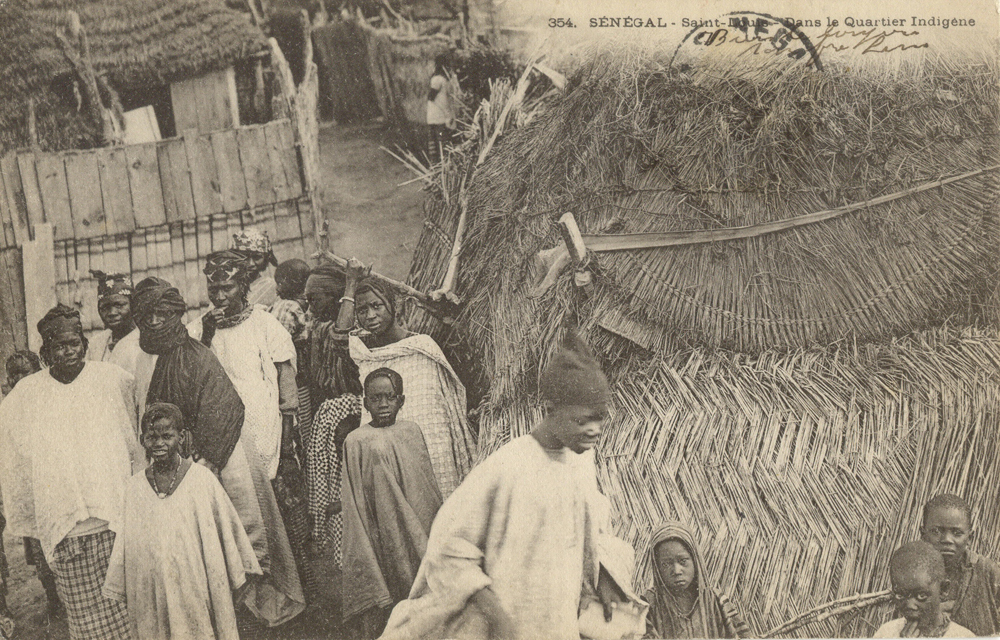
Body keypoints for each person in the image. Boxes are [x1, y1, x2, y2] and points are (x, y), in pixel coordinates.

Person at [379, 331, 626, 640]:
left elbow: (593, 533)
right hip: (508, 622)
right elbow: (449, 549)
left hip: (554, 621)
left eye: (600, 420)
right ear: (550, 410)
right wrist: (496, 618)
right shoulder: (508, 468)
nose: (595, 431)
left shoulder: (579, 464)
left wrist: (604, 578)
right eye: (584, 420)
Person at [112, 276, 305, 628]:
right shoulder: (130, 354)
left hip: (220, 457)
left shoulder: (195, 354)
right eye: (146, 315)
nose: (154, 321)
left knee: (242, 529)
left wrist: (205, 460)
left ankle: (255, 609)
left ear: (176, 313)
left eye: (162, 313)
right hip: (162, 458)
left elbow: (223, 408)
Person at [0, 304, 143, 640]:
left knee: (126, 608)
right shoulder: (26, 395)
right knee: (85, 619)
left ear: (84, 344)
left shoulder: (112, 380)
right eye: (58, 347)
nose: (68, 352)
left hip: (114, 520)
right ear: (46, 353)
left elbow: (134, 436)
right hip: (65, 528)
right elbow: (16, 458)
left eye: (74, 343)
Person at [103, 403, 263, 640]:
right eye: (152, 437)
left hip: (196, 587)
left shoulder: (202, 480)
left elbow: (229, 537)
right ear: (141, 440)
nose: (159, 444)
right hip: (153, 593)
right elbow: (127, 548)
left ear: (182, 436)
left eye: (167, 436)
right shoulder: (133, 488)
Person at [346, 268, 475, 499]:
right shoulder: (365, 355)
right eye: (362, 310)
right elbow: (339, 336)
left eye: (377, 306)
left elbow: (436, 419)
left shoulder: (421, 348)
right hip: (387, 454)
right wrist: (350, 284)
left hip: (432, 452)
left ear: (393, 307)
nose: (371, 316)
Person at [342, 368, 443, 639]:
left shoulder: (411, 432)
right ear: (365, 402)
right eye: (375, 398)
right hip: (380, 528)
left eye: (390, 397)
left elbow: (426, 489)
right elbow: (354, 497)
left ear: (402, 400)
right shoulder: (356, 441)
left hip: (417, 527)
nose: (383, 404)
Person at [301, 262, 364, 561]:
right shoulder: (315, 329)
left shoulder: (354, 327)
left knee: (348, 495)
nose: (308, 304)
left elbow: (343, 337)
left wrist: (351, 285)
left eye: (314, 297)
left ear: (335, 297)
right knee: (331, 497)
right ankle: (344, 559)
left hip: (349, 418)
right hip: (326, 420)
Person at [3, 351, 63, 621]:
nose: (19, 378)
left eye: (24, 372)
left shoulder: (51, 398)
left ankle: (66, 596)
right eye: (13, 374)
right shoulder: (8, 408)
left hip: (53, 489)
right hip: (29, 495)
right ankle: (52, 599)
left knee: (59, 547)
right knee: (39, 552)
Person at [643, 522, 752, 639]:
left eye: (683, 560)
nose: (676, 570)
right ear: (657, 568)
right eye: (666, 564)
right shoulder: (647, 606)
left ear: (695, 560)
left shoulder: (716, 601)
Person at [920, 493, 1000, 636]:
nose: (947, 540)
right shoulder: (912, 574)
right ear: (923, 534)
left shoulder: (988, 573)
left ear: (970, 538)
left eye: (957, 533)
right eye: (936, 531)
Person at [874, 541, 974, 638]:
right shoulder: (886, 633)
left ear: (943, 590)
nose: (910, 605)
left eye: (921, 596)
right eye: (900, 595)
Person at [88, 271, 135, 361]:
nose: (112, 313)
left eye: (119, 305)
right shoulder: (95, 344)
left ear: (132, 305)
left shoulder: (144, 342)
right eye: (105, 308)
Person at [232, 228, 279, 308]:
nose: (250, 263)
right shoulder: (227, 286)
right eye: (244, 257)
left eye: (257, 257)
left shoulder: (272, 287)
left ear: (265, 258)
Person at [271, 258, 311, 342]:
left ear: (295, 283)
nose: (277, 289)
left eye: (280, 283)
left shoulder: (287, 307)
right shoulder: (311, 304)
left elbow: (277, 342)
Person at [426, 53, 454, 164]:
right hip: (439, 117)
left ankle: (437, 167)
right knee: (441, 144)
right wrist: (448, 114)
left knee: (436, 145)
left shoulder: (440, 79)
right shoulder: (439, 79)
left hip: (435, 117)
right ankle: (441, 168)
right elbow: (433, 97)